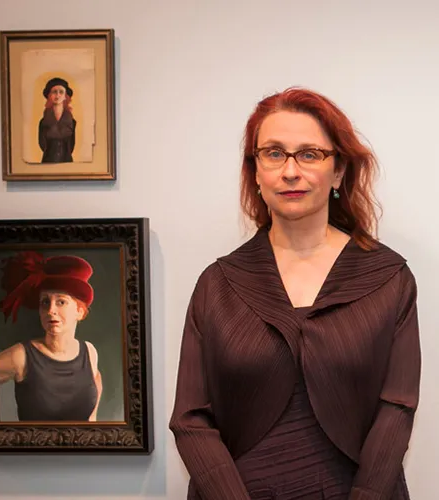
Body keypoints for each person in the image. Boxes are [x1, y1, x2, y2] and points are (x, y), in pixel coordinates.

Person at [169, 87, 421, 499]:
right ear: (255, 170)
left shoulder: (389, 278)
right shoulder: (218, 284)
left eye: (309, 154)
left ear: (338, 171)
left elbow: (397, 407)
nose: (290, 171)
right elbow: (191, 419)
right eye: (273, 153)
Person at [0, 251, 102, 422]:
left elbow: (95, 385)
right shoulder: (21, 355)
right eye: (45, 302)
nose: (51, 310)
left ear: (80, 312)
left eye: (61, 302)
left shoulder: (89, 352)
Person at [38, 77, 76, 163]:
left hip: (67, 163)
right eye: (54, 92)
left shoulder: (72, 122)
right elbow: (42, 144)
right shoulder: (43, 122)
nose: (58, 95)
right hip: (48, 163)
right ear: (49, 96)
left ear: (65, 96)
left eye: (61, 92)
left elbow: (72, 145)